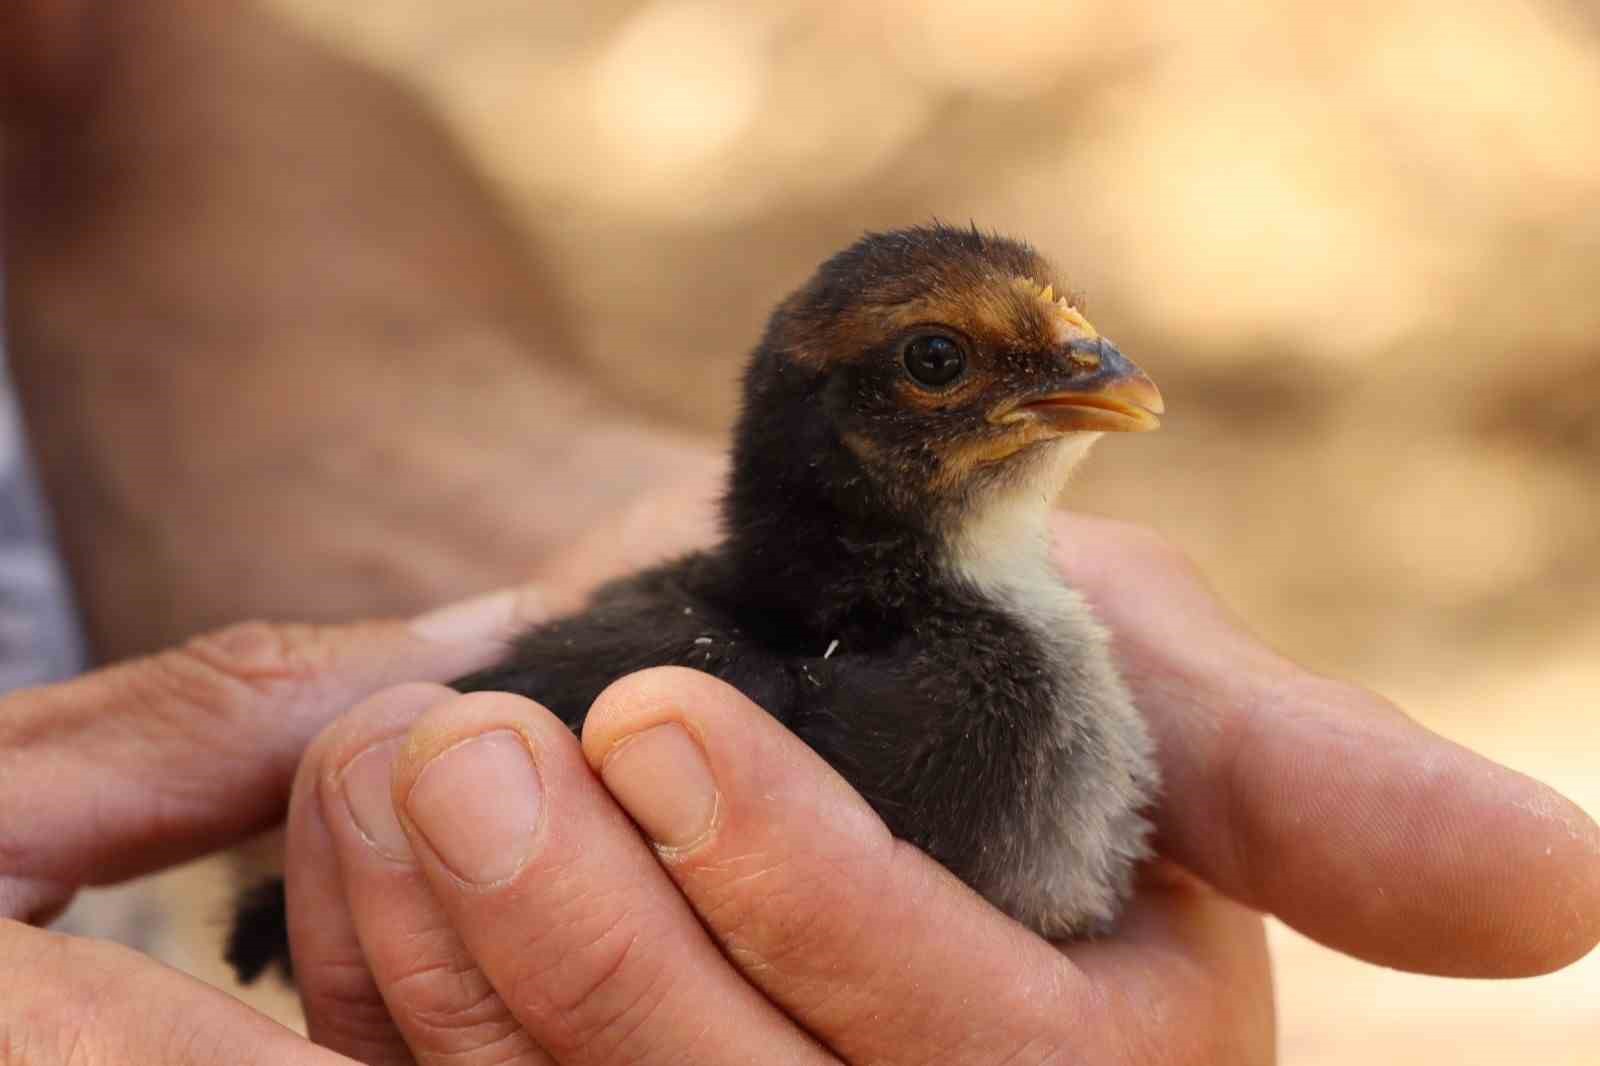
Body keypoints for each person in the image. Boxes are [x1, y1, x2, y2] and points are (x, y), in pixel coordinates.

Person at [2, 3, 1596, 1064]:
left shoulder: (899, 673)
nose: (1092, 378)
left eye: (1065, 346)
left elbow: (82, 68)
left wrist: (458, 536)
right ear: (836, 435)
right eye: (946, 365)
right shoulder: (945, 707)